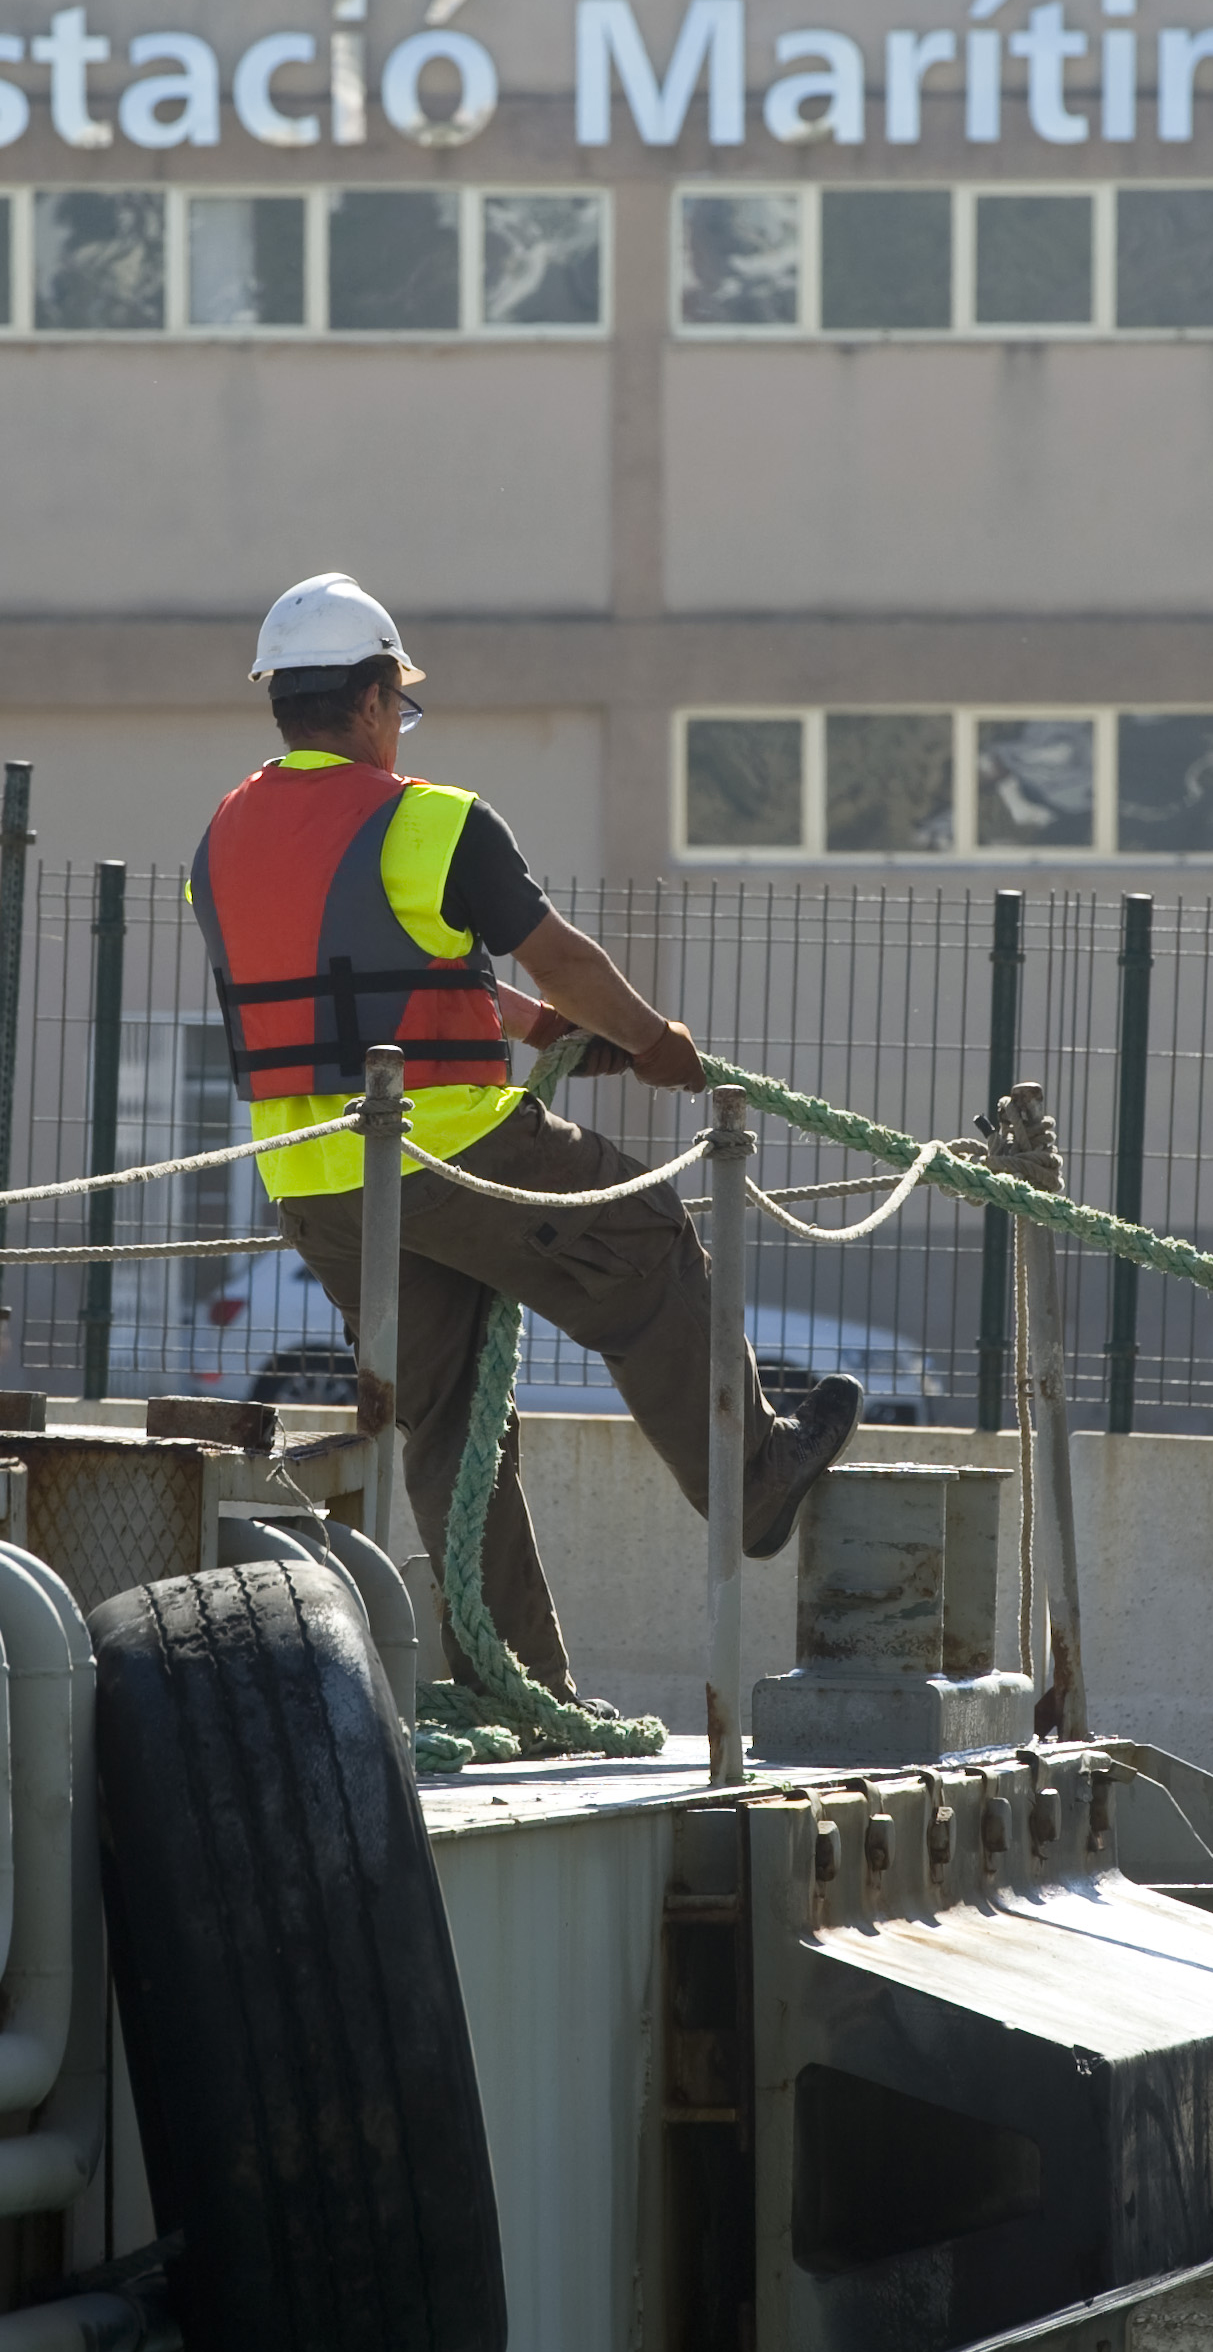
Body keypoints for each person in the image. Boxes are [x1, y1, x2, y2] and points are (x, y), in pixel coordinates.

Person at [190, 572, 861, 1701]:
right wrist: (650, 1041)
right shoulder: (433, 820)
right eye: (396, 708)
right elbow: (554, 955)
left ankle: (518, 1690)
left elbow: (374, 981)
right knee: (645, 1244)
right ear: (364, 702)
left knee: (449, 1428)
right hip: (452, 1150)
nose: (398, 730)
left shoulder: (222, 837)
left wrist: (544, 1032)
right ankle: (753, 1484)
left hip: (315, 1183)